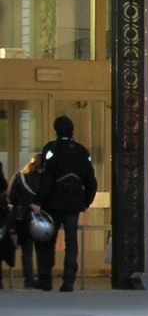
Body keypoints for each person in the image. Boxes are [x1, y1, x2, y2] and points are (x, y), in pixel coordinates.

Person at [30, 116, 98, 292]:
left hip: (53, 202)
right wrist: (86, 202)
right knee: (71, 243)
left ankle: (46, 279)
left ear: (56, 130)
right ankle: (69, 280)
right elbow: (91, 180)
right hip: (74, 203)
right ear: (72, 130)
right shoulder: (82, 152)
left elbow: (46, 179)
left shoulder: (51, 150)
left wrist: (38, 201)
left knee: (47, 241)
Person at [5, 154, 44, 289]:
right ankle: (44, 278)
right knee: (43, 250)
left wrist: (25, 203)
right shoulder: (47, 180)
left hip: (23, 217)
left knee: (26, 250)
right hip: (42, 217)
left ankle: (28, 280)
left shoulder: (20, 176)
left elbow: (10, 197)